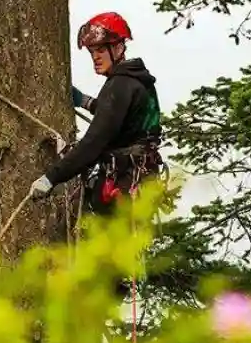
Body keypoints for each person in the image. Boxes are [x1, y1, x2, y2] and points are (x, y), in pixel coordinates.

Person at [28, 12, 164, 216]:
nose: (95, 57)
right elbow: (120, 118)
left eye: (100, 50)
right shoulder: (136, 80)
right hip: (139, 182)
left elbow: (94, 142)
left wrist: (51, 178)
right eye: (92, 52)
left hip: (123, 186)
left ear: (118, 47)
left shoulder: (119, 85)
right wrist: (85, 102)